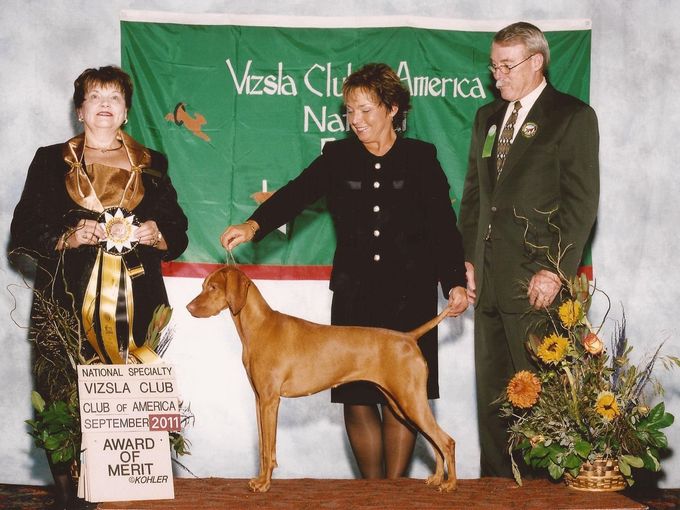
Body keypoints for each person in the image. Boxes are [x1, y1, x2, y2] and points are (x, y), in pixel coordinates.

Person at [221, 63, 468, 480]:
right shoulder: (337, 156)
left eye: (365, 110)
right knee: (356, 399)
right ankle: (369, 493)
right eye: (350, 111)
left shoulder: (421, 158)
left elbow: (444, 226)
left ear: (392, 109)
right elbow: (296, 193)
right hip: (356, 292)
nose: (356, 120)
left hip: (411, 293)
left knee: (401, 401)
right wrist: (253, 224)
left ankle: (394, 491)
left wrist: (455, 282)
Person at [10, 66, 188, 509]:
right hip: (65, 301)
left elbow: (178, 231)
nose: (105, 104)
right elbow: (24, 229)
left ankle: (127, 496)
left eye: (114, 97)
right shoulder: (49, 160)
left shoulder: (153, 164)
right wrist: (68, 236)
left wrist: (154, 231)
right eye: (95, 97)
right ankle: (70, 499)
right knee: (60, 394)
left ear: (126, 111)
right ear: (79, 110)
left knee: (129, 401)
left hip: (139, 303)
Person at [458, 22, 599, 477]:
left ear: (536, 62)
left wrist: (555, 269)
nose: (497, 75)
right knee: (495, 401)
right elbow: (476, 196)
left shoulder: (573, 117)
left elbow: (581, 203)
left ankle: (547, 495)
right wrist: (466, 259)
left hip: (539, 283)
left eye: (506, 65)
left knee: (546, 402)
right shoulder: (487, 118)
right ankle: (497, 491)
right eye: (493, 66)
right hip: (490, 282)